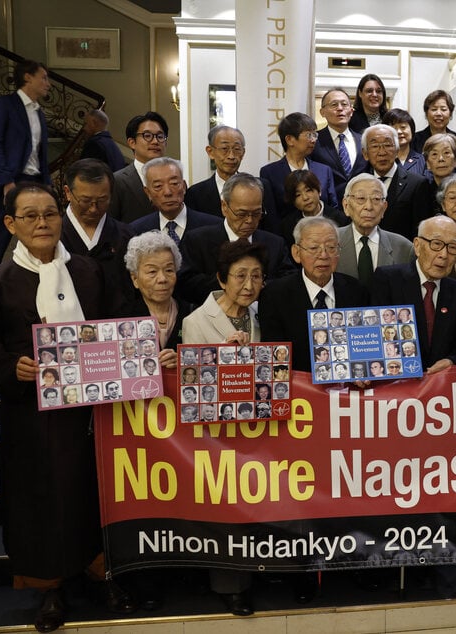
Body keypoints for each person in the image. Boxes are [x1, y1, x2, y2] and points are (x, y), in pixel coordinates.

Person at [0, 183, 135, 632]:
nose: (42, 223)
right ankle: (50, 586)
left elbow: (117, 324)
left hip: (93, 410)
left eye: (50, 214)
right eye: (31, 216)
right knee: (40, 498)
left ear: (62, 218)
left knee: (93, 491)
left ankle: (100, 573)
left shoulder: (91, 272)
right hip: (31, 416)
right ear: (11, 224)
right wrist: (8, 368)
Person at [180, 239, 267, 615]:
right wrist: (226, 359)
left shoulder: (261, 314)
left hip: (257, 432)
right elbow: (193, 386)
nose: (248, 285)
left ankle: (254, 573)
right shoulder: (196, 321)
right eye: (240, 276)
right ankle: (229, 586)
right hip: (215, 436)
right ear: (221, 278)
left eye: (256, 276)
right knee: (224, 510)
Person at [259, 216, 369, 372]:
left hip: (346, 386)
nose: (323, 255)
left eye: (331, 247)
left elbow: (363, 347)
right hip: (299, 389)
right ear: (296, 253)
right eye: (313, 248)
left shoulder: (356, 290)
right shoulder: (275, 295)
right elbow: (275, 355)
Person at [177, 173, 295, 304]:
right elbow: (186, 284)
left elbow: (288, 282)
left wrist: (259, 285)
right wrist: (231, 284)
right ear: (224, 207)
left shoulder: (274, 244)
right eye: (241, 214)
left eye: (256, 213)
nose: (249, 220)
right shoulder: (198, 241)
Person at [371, 216, 456, 373]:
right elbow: (374, 335)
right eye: (436, 244)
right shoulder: (388, 280)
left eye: (452, 247)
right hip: (398, 384)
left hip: (441, 390)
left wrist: (451, 360)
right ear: (417, 246)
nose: (444, 254)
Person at [0, 60, 51, 275]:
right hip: (12, 181)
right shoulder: (4, 105)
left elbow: (39, 153)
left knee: (37, 236)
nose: (48, 84)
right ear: (27, 77)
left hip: (34, 182)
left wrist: (47, 185)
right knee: (0, 237)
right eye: (44, 78)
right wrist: (6, 182)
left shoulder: (39, 112)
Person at [59, 159, 136, 316]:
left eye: (102, 200)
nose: (94, 209)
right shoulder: (52, 236)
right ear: (68, 192)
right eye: (85, 201)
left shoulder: (126, 236)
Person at [121, 231, 191, 365]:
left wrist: (185, 361)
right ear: (135, 279)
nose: (162, 279)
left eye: (169, 270)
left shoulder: (193, 314)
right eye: (152, 272)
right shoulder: (123, 320)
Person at [259, 113, 339, 224]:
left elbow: (333, 207)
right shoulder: (270, 172)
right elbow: (272, 215)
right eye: (309, 135)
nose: (313, 140)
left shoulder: (324, 170)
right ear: (289, 139)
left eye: (315, 134)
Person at [336, 174, 413, 285]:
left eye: (376, 199)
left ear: (384, 208)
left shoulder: (404, 248)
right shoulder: (330, 242)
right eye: (361, 198)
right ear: (346, 206)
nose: (369, 206)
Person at [359, 124, 431, 240]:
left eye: (388, 145)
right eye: (375, 146)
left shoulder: (417, 184)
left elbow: (421, 230)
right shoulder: (358, 183)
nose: (382, 152)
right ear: (365, 154)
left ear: (397, 150)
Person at [130, 156, 220, 243]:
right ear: (148, 193)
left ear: (184, 187)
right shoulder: (136, 231)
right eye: (158, 186)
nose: (167, 192)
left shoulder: (214, 226)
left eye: (174, 183)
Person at [111, 111, 169, 222]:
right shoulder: (117, 181)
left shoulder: (175, 177)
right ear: (132, 142)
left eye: (160, 136)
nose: (155, 141)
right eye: (147, 136)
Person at [310, 88, 368, 195]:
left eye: (344, 104)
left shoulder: (364, 140)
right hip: (328, 206)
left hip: (360, 205)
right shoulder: (314, 141)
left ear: (351, 111)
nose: (340, 108)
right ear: (322, 112)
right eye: (334, 105)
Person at [423, 134, 456, 215]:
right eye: (434, 154)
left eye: (446, 153)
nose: (441, 159)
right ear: (427, 163)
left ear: (455, 160)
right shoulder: (421, 191)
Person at [411, 89, 456, 156]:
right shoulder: (414, 141)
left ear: (450, 114)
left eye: (443, 109)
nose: (438, 113)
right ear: (426, 114)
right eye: (434, 109)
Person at [381, 108, 426, 175]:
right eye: (394, 128)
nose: (399, 132)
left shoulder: (422, 160)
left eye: (403, 127)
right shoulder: (381, 159)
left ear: (412, 130)